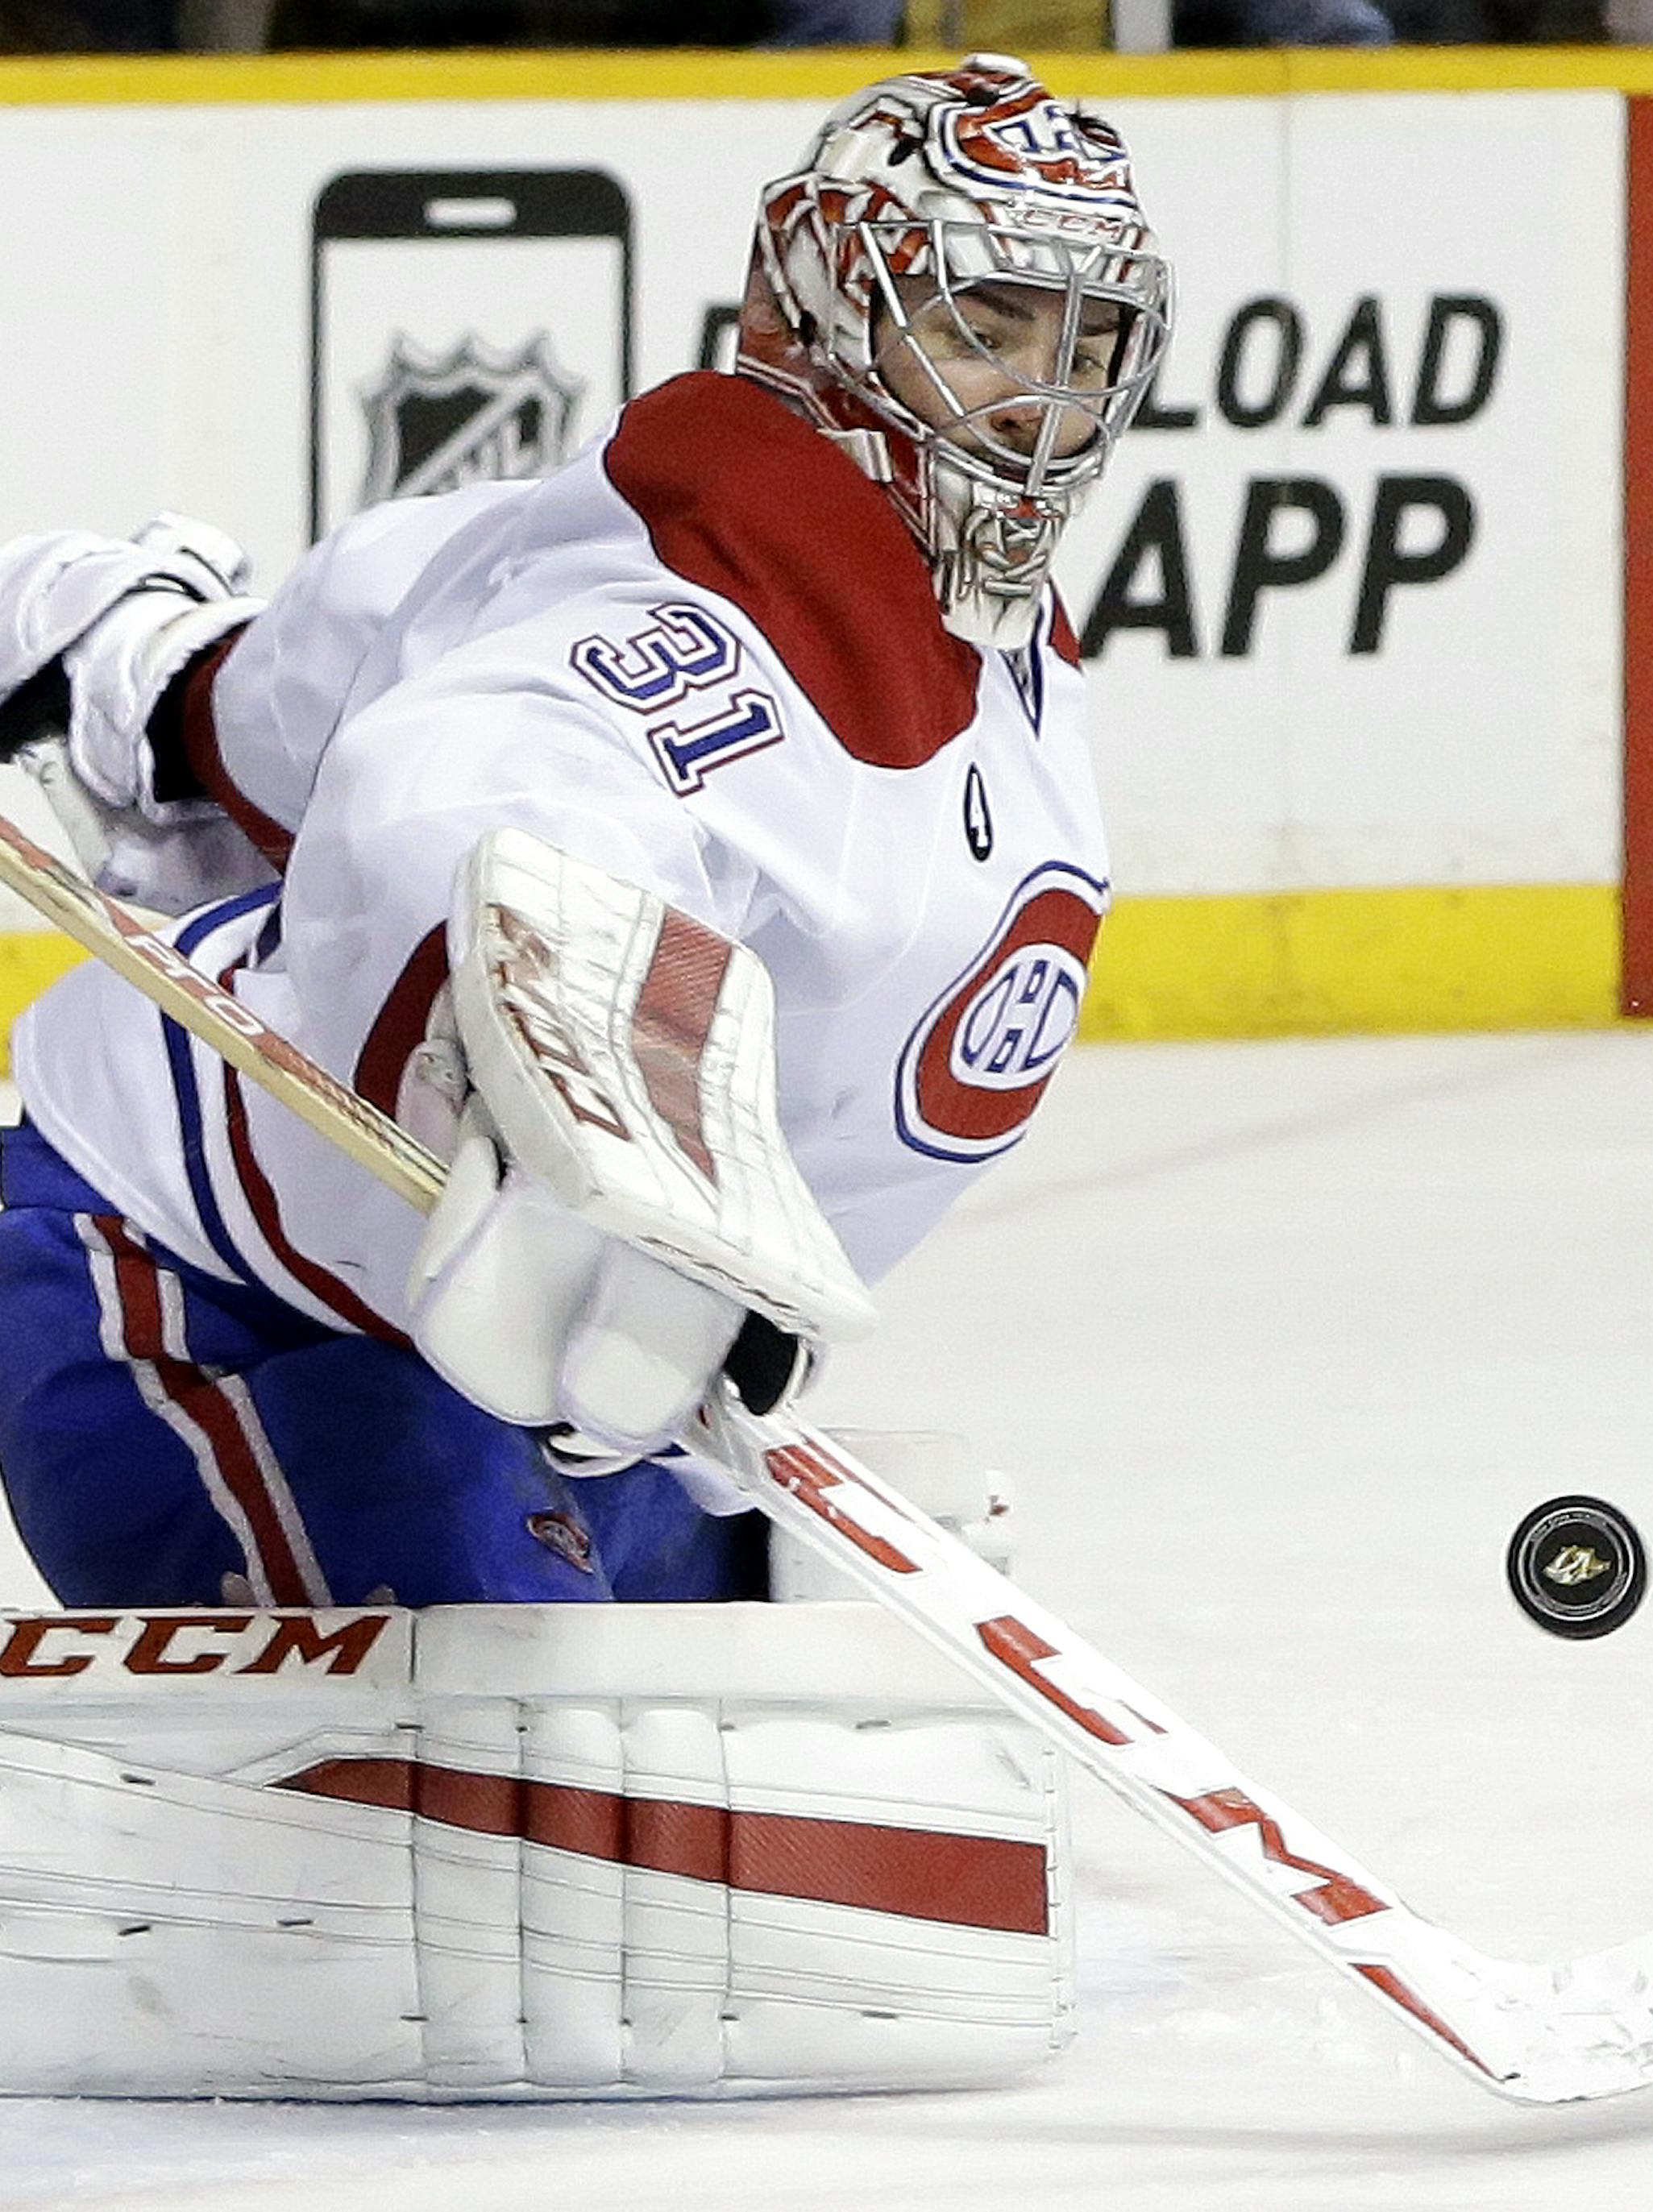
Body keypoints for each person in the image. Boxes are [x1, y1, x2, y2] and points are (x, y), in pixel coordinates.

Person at [0, 53, 1173, 1619]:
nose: (1045, 395)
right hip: (207, 1290)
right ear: (816, 315)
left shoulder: (948, 629)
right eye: (982, 328)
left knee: (727, 1729)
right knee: (489, 1811)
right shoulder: (698, 630)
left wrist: (138, 688)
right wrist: (624, 1145)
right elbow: (464, 801)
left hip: (527, 1374)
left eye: (1085, 339)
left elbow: (340, 658)